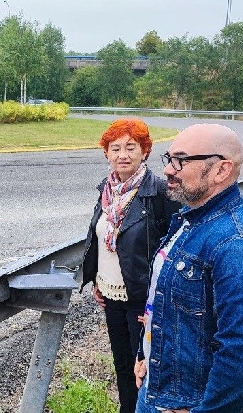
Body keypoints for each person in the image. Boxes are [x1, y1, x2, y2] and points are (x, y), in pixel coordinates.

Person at [135, 123, 243, 413]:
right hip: (156, 387)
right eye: (169, 159)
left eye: (181, 161)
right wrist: (143, 355)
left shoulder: (232, 241)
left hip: (189, 403)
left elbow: (237, 346)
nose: (169, 170)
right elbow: (162, 298)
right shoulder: (187, 218)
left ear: (221, 170)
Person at [80, 118, 180, 413]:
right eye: (115, 148)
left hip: (143, 303)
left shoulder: (160, 192)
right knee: (123, 367)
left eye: (131, 147)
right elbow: (101, 240)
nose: (123, 155)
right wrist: (97, 279)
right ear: (106, 154)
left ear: (145, 152)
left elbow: (173, 249)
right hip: (111, 297)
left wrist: (157, 305)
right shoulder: (106, 191)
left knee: (146, 371)